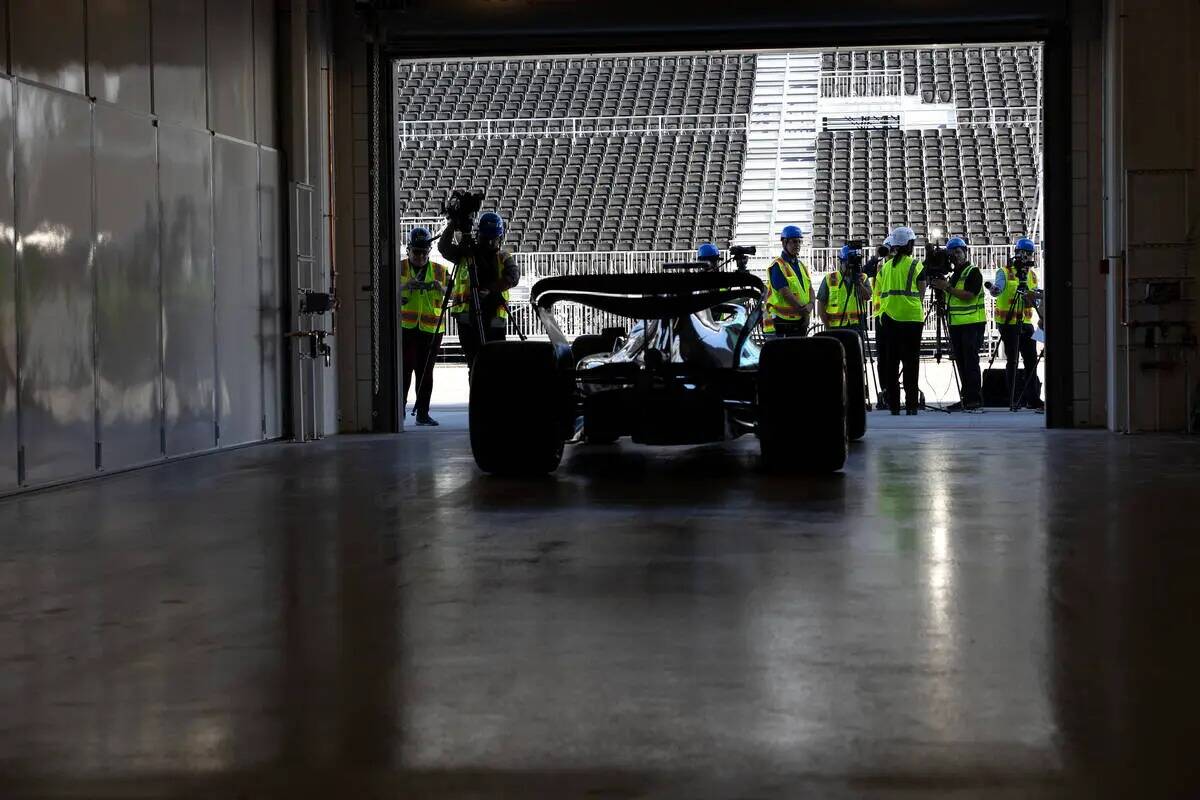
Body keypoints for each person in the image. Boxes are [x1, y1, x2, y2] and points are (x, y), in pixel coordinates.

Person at [438, 211, 520, 371]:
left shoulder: (503, 256)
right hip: (467, 317)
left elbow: (513, 276)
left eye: (493, 239)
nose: (490, 243)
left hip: (495, 317)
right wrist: (453, 224)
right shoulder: (466, 254)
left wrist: (489, 290)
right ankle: (478, 394)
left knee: (495, 365)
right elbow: (444, 248)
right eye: (487, 239)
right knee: (475, 364)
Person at [929, 237, 985, 411]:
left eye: (958, 252)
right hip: (956, 324)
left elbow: (969, 295)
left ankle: (974, 399)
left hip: (972, 324)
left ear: (965, 252)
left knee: (970, 362)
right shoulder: (953, 275)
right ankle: (966, 397)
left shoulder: (973, 272)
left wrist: (946, 287)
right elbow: (951, 296)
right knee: (961, 362)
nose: (955, 257)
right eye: (952, 254)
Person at [875, 226, 927, 415]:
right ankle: (911, 406)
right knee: (911, 364)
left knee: (891, 363)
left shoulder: (885, 267)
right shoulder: (916, 265)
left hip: (889, 318)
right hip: (912, 319)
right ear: (909, 244)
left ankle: (894, 407)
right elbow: (921, 291)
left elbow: (879, 290)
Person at [987, 237, 1043, 410]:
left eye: (1029, 254)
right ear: (1017, 254)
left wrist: (1033, 299)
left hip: (1026, 323)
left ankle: (1033, 398)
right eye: (1023, 254)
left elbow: (1036, 302)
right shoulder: (1004, 272)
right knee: (1012, 360)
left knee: (1031, 360)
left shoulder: (1033, 276)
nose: (1026, 257)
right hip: (1008, 323)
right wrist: (993, 289)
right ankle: (1013, 398)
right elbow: (997, 290)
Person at [399, 227, 447, 425]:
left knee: (425, 373)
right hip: (405, 329)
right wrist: (404, 286)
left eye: (423, 252)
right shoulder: (399, 268)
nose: (419, 256)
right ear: (408, 250)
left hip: (432, 330)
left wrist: (440, 287)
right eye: (416, 252)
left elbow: (452, 293)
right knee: (404, 371)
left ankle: (422, 413)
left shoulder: (439, 270)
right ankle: (398, 411)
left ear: (429, 251)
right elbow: (385, 291)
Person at [763, 225, 814, 337]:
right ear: (784, 243)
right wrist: (804, 311)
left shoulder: (801, 265)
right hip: (782, 324)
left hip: (799, 321)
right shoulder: (777, 266)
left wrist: (811, 304)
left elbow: (810, 289)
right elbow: (785, 292)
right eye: (794, 242)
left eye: (799, 242)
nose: (798, 245)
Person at [817, 244, 871, 334]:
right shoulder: (829, 278)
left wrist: (859, 283)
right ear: (841, 261)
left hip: (857, 326)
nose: (850, 267)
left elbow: (867, 297)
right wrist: (827, 328)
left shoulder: (863, 277)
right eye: (848, 264)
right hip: (835, 327)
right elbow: (821, 305)